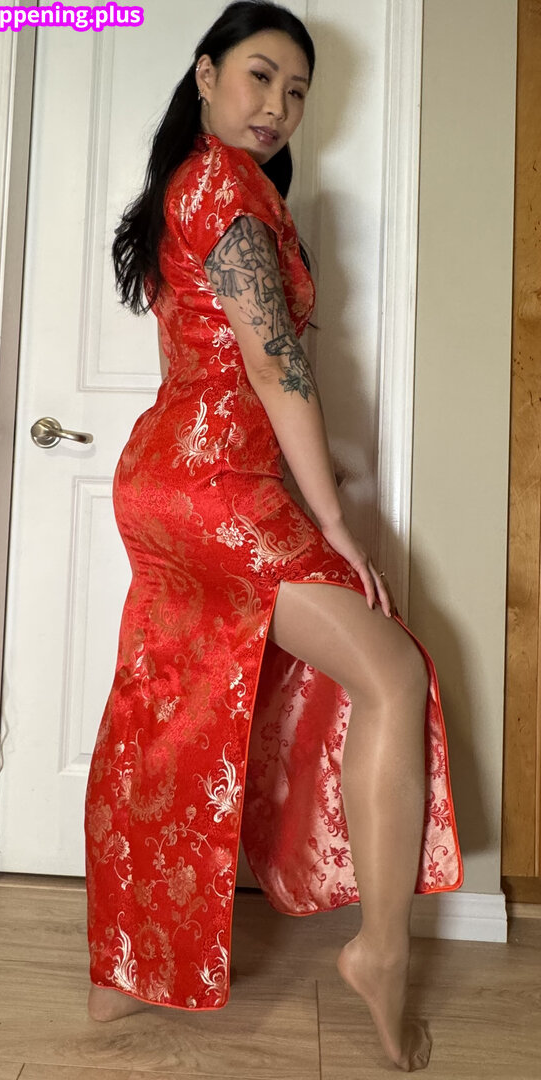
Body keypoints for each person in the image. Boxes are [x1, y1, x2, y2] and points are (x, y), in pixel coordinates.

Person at [84, 1, 463, 1071]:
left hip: (173, 479)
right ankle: (380, 953)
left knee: (168, 712)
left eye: (296, 91)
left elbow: (224, 362)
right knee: (389, 672)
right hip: (212, 486)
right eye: (259, 75)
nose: (277, 105)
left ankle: (122, 973)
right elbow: (271, 363)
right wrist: (335, 522)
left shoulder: (200, 185)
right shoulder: (222, 185)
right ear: (205, 74)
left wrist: (309, 492)